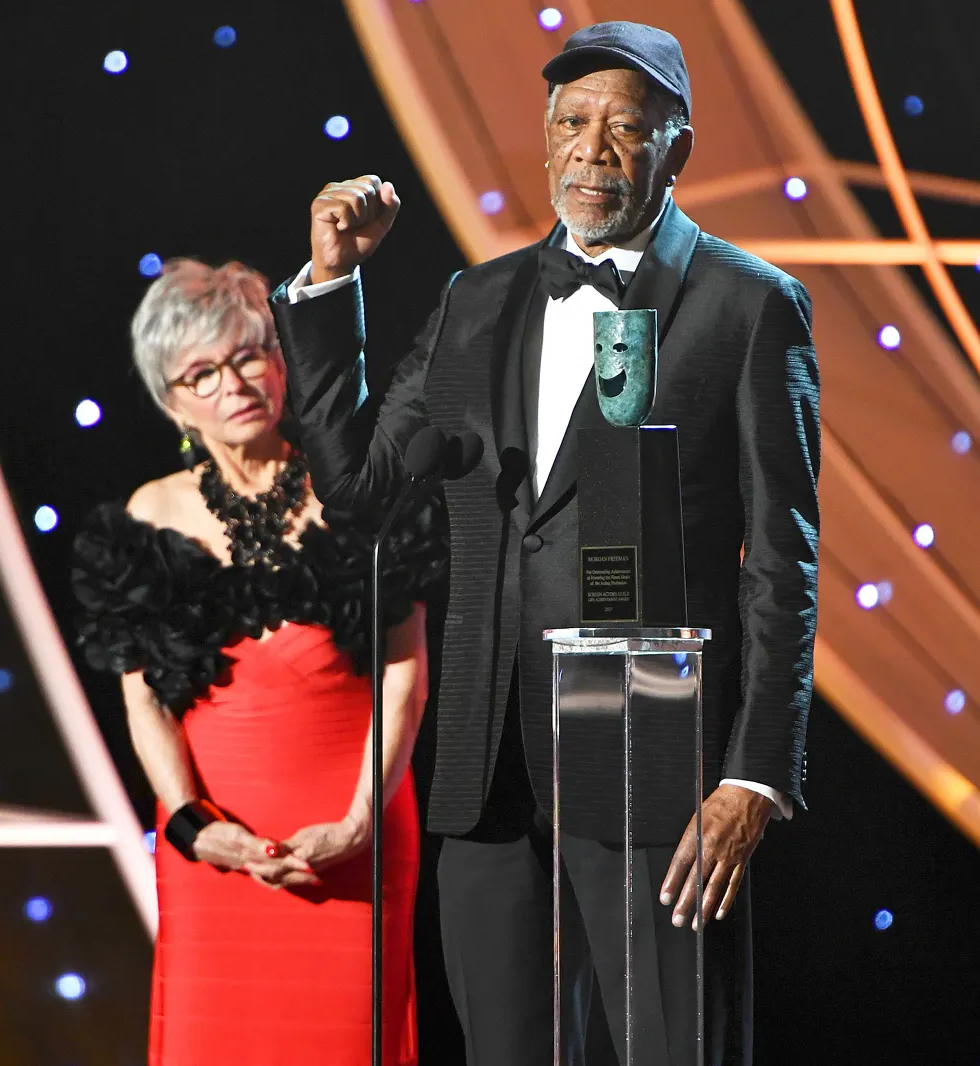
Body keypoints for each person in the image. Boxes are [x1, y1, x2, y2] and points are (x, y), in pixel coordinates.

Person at [271, 21, 819, 1066]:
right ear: (542, 138)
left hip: (656, 761)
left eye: (624, 128)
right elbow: (363, 487)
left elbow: (784, 565)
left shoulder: (750, 307)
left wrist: (753, 776)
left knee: (671, 1045)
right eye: (570, 123)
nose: (591, 150)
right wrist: (329, 284)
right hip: (488, 760)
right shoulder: (477, 298)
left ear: (678, 149)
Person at [72, 259, 444, 1066]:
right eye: (201, 373)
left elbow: (405, 671)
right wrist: (189, 822)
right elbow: (145, 700)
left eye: (248, 355)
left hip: (355, 829)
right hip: (215, 852)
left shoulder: (357, 493)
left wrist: (358, 821)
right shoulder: (146, 517)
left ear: (281, 364)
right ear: (172, 401)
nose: (232, 383)